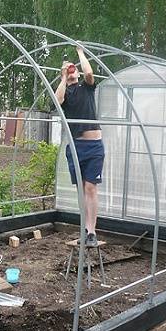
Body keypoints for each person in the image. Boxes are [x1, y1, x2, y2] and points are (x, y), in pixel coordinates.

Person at [55, 47, 104, 247]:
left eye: (73, 69)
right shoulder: (65, 92)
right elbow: (57, 101)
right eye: (69, 70)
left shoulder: (86, 87)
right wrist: (63, 77)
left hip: (93, 146)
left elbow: (90, 73)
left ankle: (92, 232)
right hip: (75, 147)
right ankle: (85, 229)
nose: (72, 70)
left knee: (91, 188)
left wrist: (80, 52)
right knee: (82, 190)